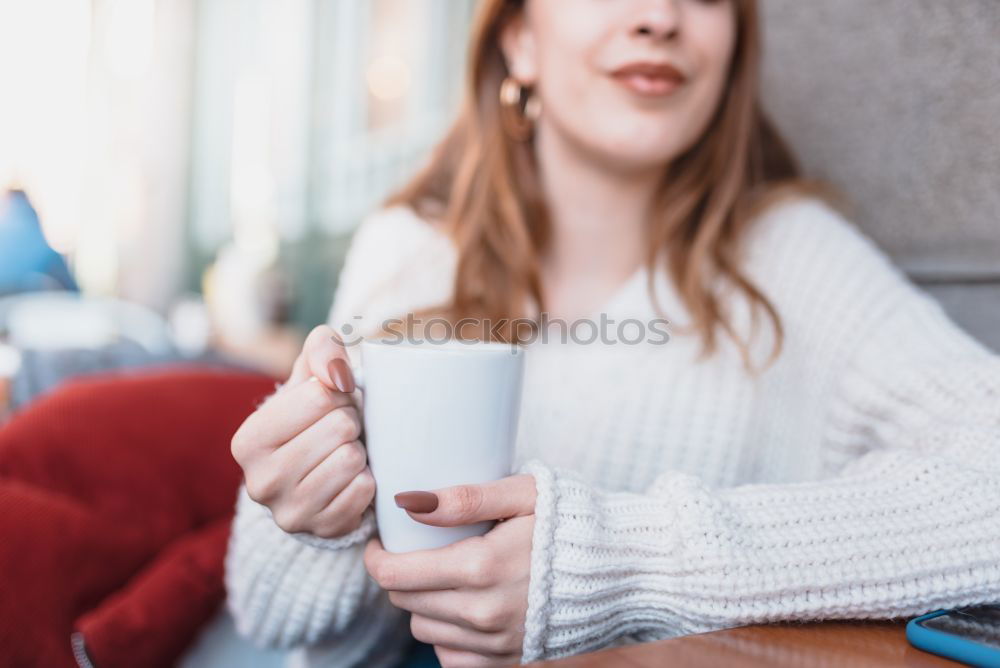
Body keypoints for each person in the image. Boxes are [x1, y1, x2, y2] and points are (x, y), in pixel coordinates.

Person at [225, 1, 1000, 666]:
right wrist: (317, 515)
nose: (659, 17)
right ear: (518, 39)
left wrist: (624, 564)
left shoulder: (789, 260)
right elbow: (273, 619)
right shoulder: (412, 250)